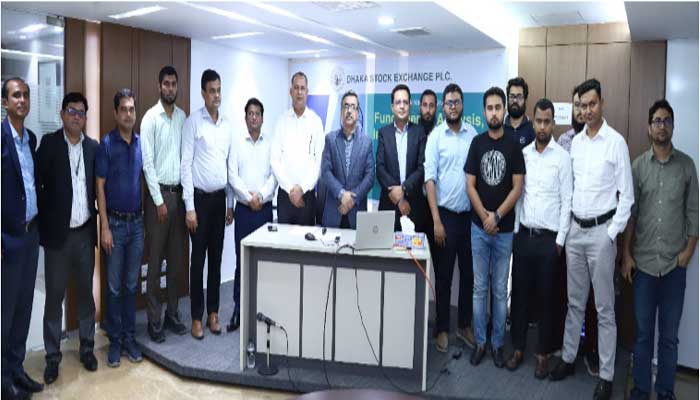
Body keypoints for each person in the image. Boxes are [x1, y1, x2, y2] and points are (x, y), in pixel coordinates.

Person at [550, 79, 634, 400]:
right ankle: (569, 358)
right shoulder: (576, 144)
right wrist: (567, 230)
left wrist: (611, 234)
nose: (586, 110)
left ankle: (607, 375)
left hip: (601, 233)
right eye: (582, 106)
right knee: (574, 302)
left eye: (591, 104)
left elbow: (627, 197)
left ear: (602, 103)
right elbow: (569, 190)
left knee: (604, 308)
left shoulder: (616, 142)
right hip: (575, 231)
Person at [622, 100, 698, 400]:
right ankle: (641, 390)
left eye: (667, 120)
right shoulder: (638, 167)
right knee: (643, 335)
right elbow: (631, 215)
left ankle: (665, 392)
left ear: (673, 126)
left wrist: (688, 253)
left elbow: (694, 213)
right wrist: (626, 254)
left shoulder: (687, 166)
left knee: (668, 338)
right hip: (642, 265)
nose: (662, 125)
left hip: (673, 267)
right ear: (648, 127)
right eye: (657, 120)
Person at [506, 98, 572, 379]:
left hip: (549, 242)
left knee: (547, 300)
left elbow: (567, 200)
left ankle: (543, 354)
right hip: (524, 236)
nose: (543, 127)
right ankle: (518, 348)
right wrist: (516, 231)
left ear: (553, 123)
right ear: (533, 122)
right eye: (539, 121)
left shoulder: (563, 158)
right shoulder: (524, 154)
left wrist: (560, 240)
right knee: (520, 296)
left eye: (547, 122)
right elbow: (519, 195)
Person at [37, 92, 99, 383]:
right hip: (58, 238)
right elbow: (38, 186)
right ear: (62, 114)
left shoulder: (93, 148)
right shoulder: (49, 144)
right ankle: (52, 356)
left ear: (86, 118)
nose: (76, 117)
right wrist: (45, 224)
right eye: (71, 111)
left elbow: (99, 189)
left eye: (81, 112)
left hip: (84, 233)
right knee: (54, 298)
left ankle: (87, 348)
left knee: (86, 294)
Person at [465, 86, 525, 368]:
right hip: (479, 229)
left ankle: (498, 344)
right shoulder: (476, 144)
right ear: (484, 112)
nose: (493, 112)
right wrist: (484, 217)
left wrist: (496, 217)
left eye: (497, 107)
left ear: (504, 110)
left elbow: (517, 187)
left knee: (500, 291)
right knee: (479, 289)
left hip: (504, 230)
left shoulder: (513, 145)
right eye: (489, 108)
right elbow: (470, 185)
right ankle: (480, 342)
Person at [181, 69, 234, 339]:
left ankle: (213, 313)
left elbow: (229, 166)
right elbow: (185, 166)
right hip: (199, 202)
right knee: (198, 260)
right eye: (211, 91)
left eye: (218, 90)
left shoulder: (227, 125)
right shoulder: (193, 122)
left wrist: (230, 203)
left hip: (219, 200)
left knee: (216, 259)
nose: (216, 95)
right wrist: (189, 207)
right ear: (203, 93)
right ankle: (196, 317)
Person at [424, 83, 477, 353]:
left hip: (470, 218)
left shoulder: (473, 135)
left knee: (468, 275)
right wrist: (436, 220)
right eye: (448, 103)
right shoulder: (436, 137)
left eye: (456, 102)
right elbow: (429, 180)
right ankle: (442, 329)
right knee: (444, 276)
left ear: (462, 105)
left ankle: (464, 326)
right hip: (444, 217)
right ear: (443, 107)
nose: (452, 107)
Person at [1, 77, 45, 398]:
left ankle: (16, 370)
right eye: (16, 95)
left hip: (31, 236)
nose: (22, 100)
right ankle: (3, 381)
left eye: (26, 95)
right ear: (5, 102)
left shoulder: (30, 139)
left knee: (24, 309)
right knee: (5, 312)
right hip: (8, 239)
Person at [554, 85, 600, 377]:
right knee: (570, 296)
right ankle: (568, 349)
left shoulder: (605, 141)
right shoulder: (564, 141)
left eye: (585, 105)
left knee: (594, 299)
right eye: (576, 105)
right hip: (569, 229)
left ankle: (591, 349)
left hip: (594, 231)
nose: (581, 111)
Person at [96, 89, 145, 368]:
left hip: (136, 224)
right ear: (115, 113)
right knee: (114, 288)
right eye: (124, 109)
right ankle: (114, 342)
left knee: (130, 285)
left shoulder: (140, 143)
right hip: (114, 224)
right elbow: (99, 187)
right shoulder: (106, 144)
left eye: (131, 109)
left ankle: (129, 338)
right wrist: (104, 227)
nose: (128, 114)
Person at [141, 65, 188, 343]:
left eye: (174, 84)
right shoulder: (150, 118)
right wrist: (159, 201)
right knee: (156, 261)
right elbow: (147, 164)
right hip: (157, 198)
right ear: (159, 86)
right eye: (166, 84)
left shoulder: (182, 118)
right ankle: (154, 321)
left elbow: (186, 159)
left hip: (179, 197)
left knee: (176, 261)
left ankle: (172, 314)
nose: (170, 88)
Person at [226, 98, 277, 332]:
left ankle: (262, 309)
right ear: (245, 118)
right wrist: (249, 198)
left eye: (257, 113)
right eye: (250, 114)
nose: (254, 117)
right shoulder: (237, 143)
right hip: (244, 211)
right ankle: (238, 309)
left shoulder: (270, 144)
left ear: (262, 118)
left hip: (264, 210)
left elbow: (275, 175)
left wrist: (261, 196)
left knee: (263, 261)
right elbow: (232, 176)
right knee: (242, 260)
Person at [271, 71, 325, 226]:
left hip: (307, 197)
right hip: (285, 196)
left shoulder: (315, 122)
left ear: (307, 92)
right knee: (283, 241)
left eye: (302, 88)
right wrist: (291, 189)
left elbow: (318, 162)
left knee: (306, 240)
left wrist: (301, 189)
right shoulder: (281, 121)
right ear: (290, 92)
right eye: (296, 88)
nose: (299, 92)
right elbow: (275, 160)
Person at [376, 84, 428, 232]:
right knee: (386, 246)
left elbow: (422, 167)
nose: (402, 106)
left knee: (414, 246)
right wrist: (399, 197)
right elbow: (380, 168)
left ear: (410, 105)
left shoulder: (419, 132)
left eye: (405, 102)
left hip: (413, 207)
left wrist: (404, 188)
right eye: (398, 102)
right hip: (389, 204)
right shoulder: (383, 133)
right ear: (392, 107)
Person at [320, 91, 374, 229]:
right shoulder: (330, 139)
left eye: (353, 107)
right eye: (346, 106)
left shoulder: (366, 142)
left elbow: (369, 177)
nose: (349, 111)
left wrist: (352, 199)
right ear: (341, 112)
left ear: (357, 112)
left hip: (357, 214)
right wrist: (342, 194)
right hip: (334, 211)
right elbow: (326, 172)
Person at [504, 77, 535, 149]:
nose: (515, 100)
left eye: (519, 96)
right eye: (512, 96)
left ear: (525, 100)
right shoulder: (500, 128)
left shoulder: (533, 129)